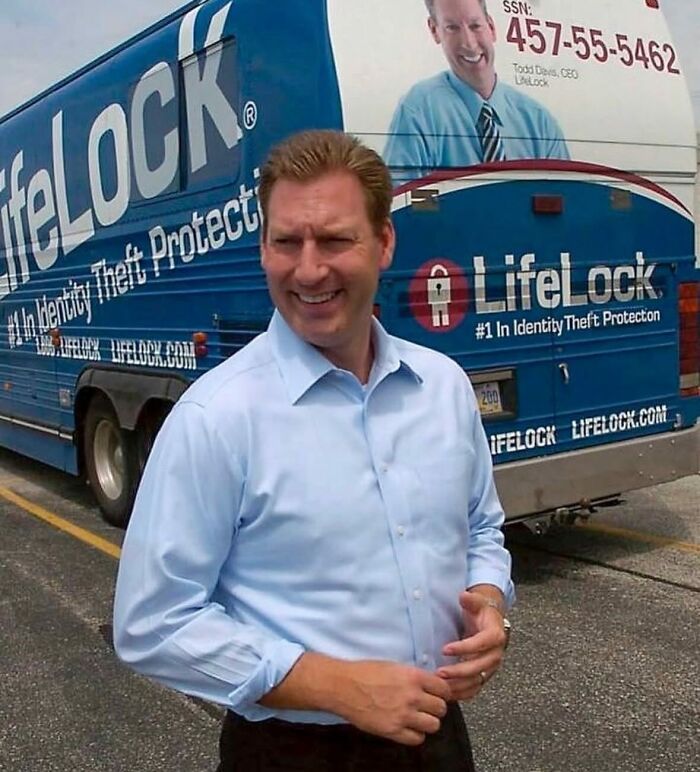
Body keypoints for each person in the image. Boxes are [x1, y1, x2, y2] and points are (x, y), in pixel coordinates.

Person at [113, 129, 514, 772]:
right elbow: (152, 624)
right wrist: (334, 686)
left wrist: (490, 603)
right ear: (263, 247)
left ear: (384, 243)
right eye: (286, 242)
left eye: (334, 240)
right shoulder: (217, 417)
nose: (308, 270)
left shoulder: (442, 387)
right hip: (291, 753)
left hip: (434, 736)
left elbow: (480, 528)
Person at [384, 0, 569, 176]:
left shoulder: (539, 123)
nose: (469, 44)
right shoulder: (417, 112)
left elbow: (566, 199)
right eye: (452, 28)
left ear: (491, 27)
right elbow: (402, 202)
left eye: (475, 26)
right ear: (434, 31)